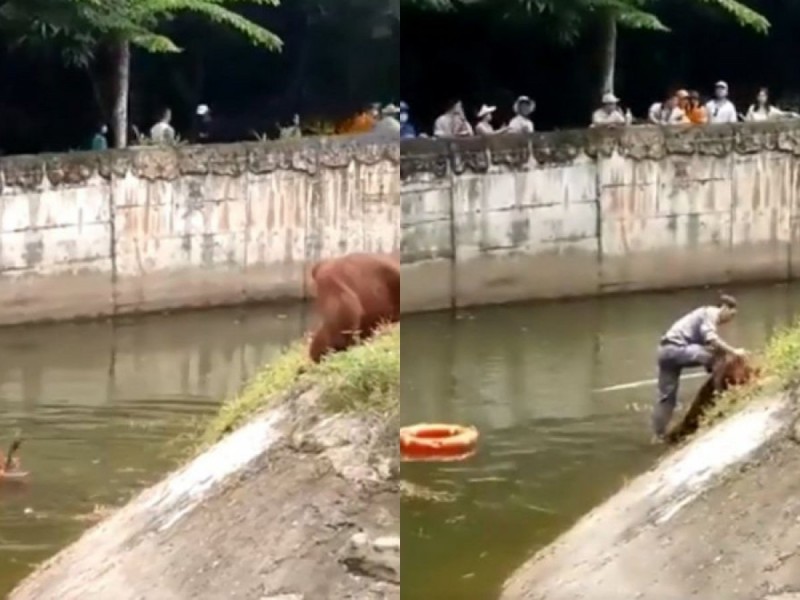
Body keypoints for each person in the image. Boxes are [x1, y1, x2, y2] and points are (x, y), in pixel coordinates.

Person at [652, 294, 745, 440]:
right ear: (724, 308)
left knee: (666, 398)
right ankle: (720, 398)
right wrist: (734, 351)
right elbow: (712, 340)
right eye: (731, 316)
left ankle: (658, 435)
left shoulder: (701, 316)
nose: (730, 320)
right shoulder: (709, 314)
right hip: (677, 348)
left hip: (664, 352)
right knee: (718, 357)